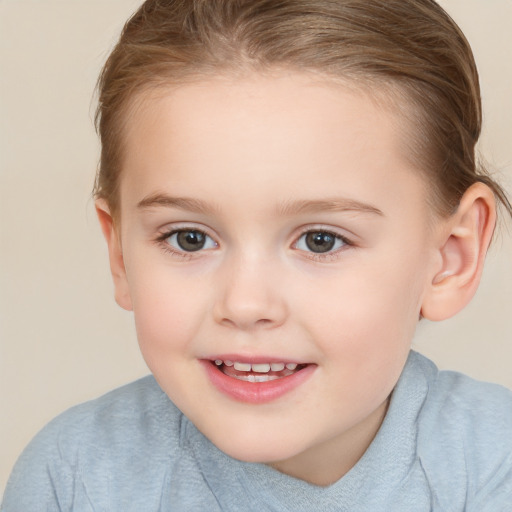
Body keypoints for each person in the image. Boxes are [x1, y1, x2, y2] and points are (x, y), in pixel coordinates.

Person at [2, 0, 512, 510]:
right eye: (189, 238)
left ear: (450, 256)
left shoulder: (495, 466)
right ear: (120, 252)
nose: (245, 305)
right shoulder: (73, 479)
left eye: (320, 240)